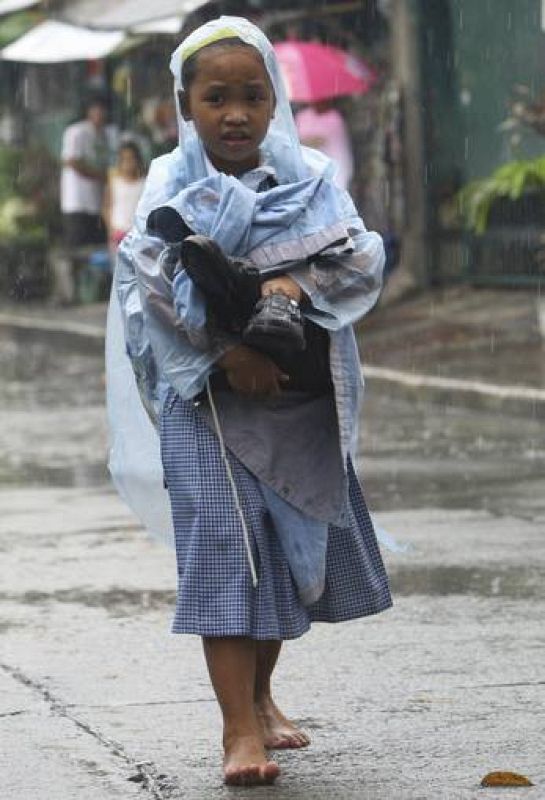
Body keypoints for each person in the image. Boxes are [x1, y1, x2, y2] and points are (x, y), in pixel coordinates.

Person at [109, 16, 391, 788]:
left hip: (298, 397)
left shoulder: (310, 177)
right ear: (185, 103)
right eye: (215, 97)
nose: (234, 113)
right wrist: (227, 355)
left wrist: (291, 287)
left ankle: (262, 697)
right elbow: (150, 291)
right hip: (203, 400)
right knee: (226, 558)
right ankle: (237, 729)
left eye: (251, 97)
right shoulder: (168, 185)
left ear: (273, 104)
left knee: (281, 553)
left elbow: (361, 256)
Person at [54, 96, 110, 303]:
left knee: (95, 248)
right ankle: (70, 294)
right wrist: (100, 176)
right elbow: (71, 161)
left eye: (102, 110)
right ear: (89, 112)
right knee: (75, 249)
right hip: (76, 200)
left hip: (96, 201)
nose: (100, 115)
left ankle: (93, 291)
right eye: (96, 110)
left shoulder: (104, 135)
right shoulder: (76, 132)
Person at [295, 100, 354, 191]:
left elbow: (321, 140)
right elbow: (296, 141)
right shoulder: (302, 117)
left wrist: (306, 141)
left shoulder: (334, 118)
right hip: (308, 173)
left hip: (334, 171)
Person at [103, 140, 146, 249]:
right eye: (124, 159)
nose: (128, 163)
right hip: (118, 234)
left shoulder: (145, 183)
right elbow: (106, 207)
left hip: (139, 235)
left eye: (131, 159)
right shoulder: (114, 182)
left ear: (138, 160)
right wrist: (111, 230)